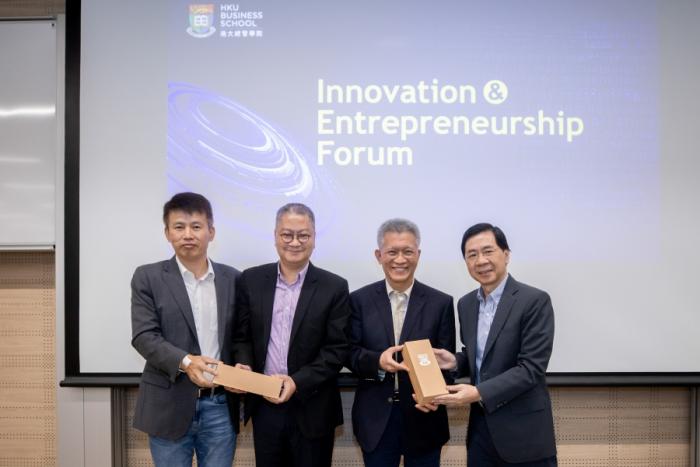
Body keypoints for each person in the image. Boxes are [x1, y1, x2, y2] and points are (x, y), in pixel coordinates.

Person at [425, 223, 557, 466]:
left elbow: (531, 368)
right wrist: (456, 361)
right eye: (471, 255)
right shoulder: (466, 305)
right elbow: (481, 358)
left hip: (524, 434)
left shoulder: (534, 301)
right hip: (480, 434)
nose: (480, 260)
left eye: (488, 251)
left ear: (506, 255)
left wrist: (478, 392)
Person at [232, 203, 351, 467]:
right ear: (275, 236)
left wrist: (296, 382)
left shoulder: (334, 286)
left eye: (303, 235)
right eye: (287, 234)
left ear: (314, 238)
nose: (295, 242)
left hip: (313, 407)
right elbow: (241, 337)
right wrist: (244, 366)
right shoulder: (251, 279)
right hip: (264, 406)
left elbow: (336, 350)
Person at [131, 192, 240, 467]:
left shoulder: (234, 279)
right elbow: (144, 336)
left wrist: (245, 366)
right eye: (179, 227)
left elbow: (242, 337)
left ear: (211, 232)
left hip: (220, 405)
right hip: (168, 402)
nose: (188, 234)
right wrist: (187, 362)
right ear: (167, 233)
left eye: (196, 226)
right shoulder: (148, 277)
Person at [347, 219, 455, 467]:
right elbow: (349, 353)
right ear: (379, 255)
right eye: (392, 252)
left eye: (407, 251)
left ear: (418, 254)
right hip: (375, 419)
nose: (400, 259)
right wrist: (377, 361)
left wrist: (436, 395)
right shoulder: (358, 300)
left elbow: (446, 362)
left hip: (425, 415)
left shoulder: (441, 303)